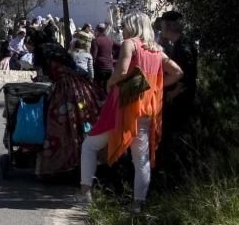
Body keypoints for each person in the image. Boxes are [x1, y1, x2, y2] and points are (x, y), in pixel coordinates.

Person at [77, 12, 184, 213]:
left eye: (125, 25)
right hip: (145, 110)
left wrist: (110, 83)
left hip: (122, 108)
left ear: (133, 26)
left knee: (90, 145)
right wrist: (156, 86)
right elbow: (178, 72)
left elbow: (123, 71)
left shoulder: (130, 44)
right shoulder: (157, 50)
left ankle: (85, 193)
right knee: (141, 159)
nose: (123, 29)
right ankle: (138, 204)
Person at [33, 40, 103, 178]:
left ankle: (64, 164)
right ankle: (85, 162)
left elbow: (44, 78)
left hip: (65, 92)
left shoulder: (47, 60)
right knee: (82, 123)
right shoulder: (62, 57)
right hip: (81, 88)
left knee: (61, 125)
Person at [158, 11, 198, 177]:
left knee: (177, 136)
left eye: (162, 24)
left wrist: (174, 93)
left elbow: (187, 75)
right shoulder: (179, 44)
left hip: (180, 100)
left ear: (168, 26)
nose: (160, 28)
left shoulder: (184, 46)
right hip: (178, 99)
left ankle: (178, 172)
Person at [90, 24, 115, 89]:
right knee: (107, 88)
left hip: (100, 67)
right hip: (109, 67)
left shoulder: (96, 40)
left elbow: (94, 55)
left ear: (97, 30)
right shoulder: (110, 40)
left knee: (98, 89)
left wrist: (92, 66)